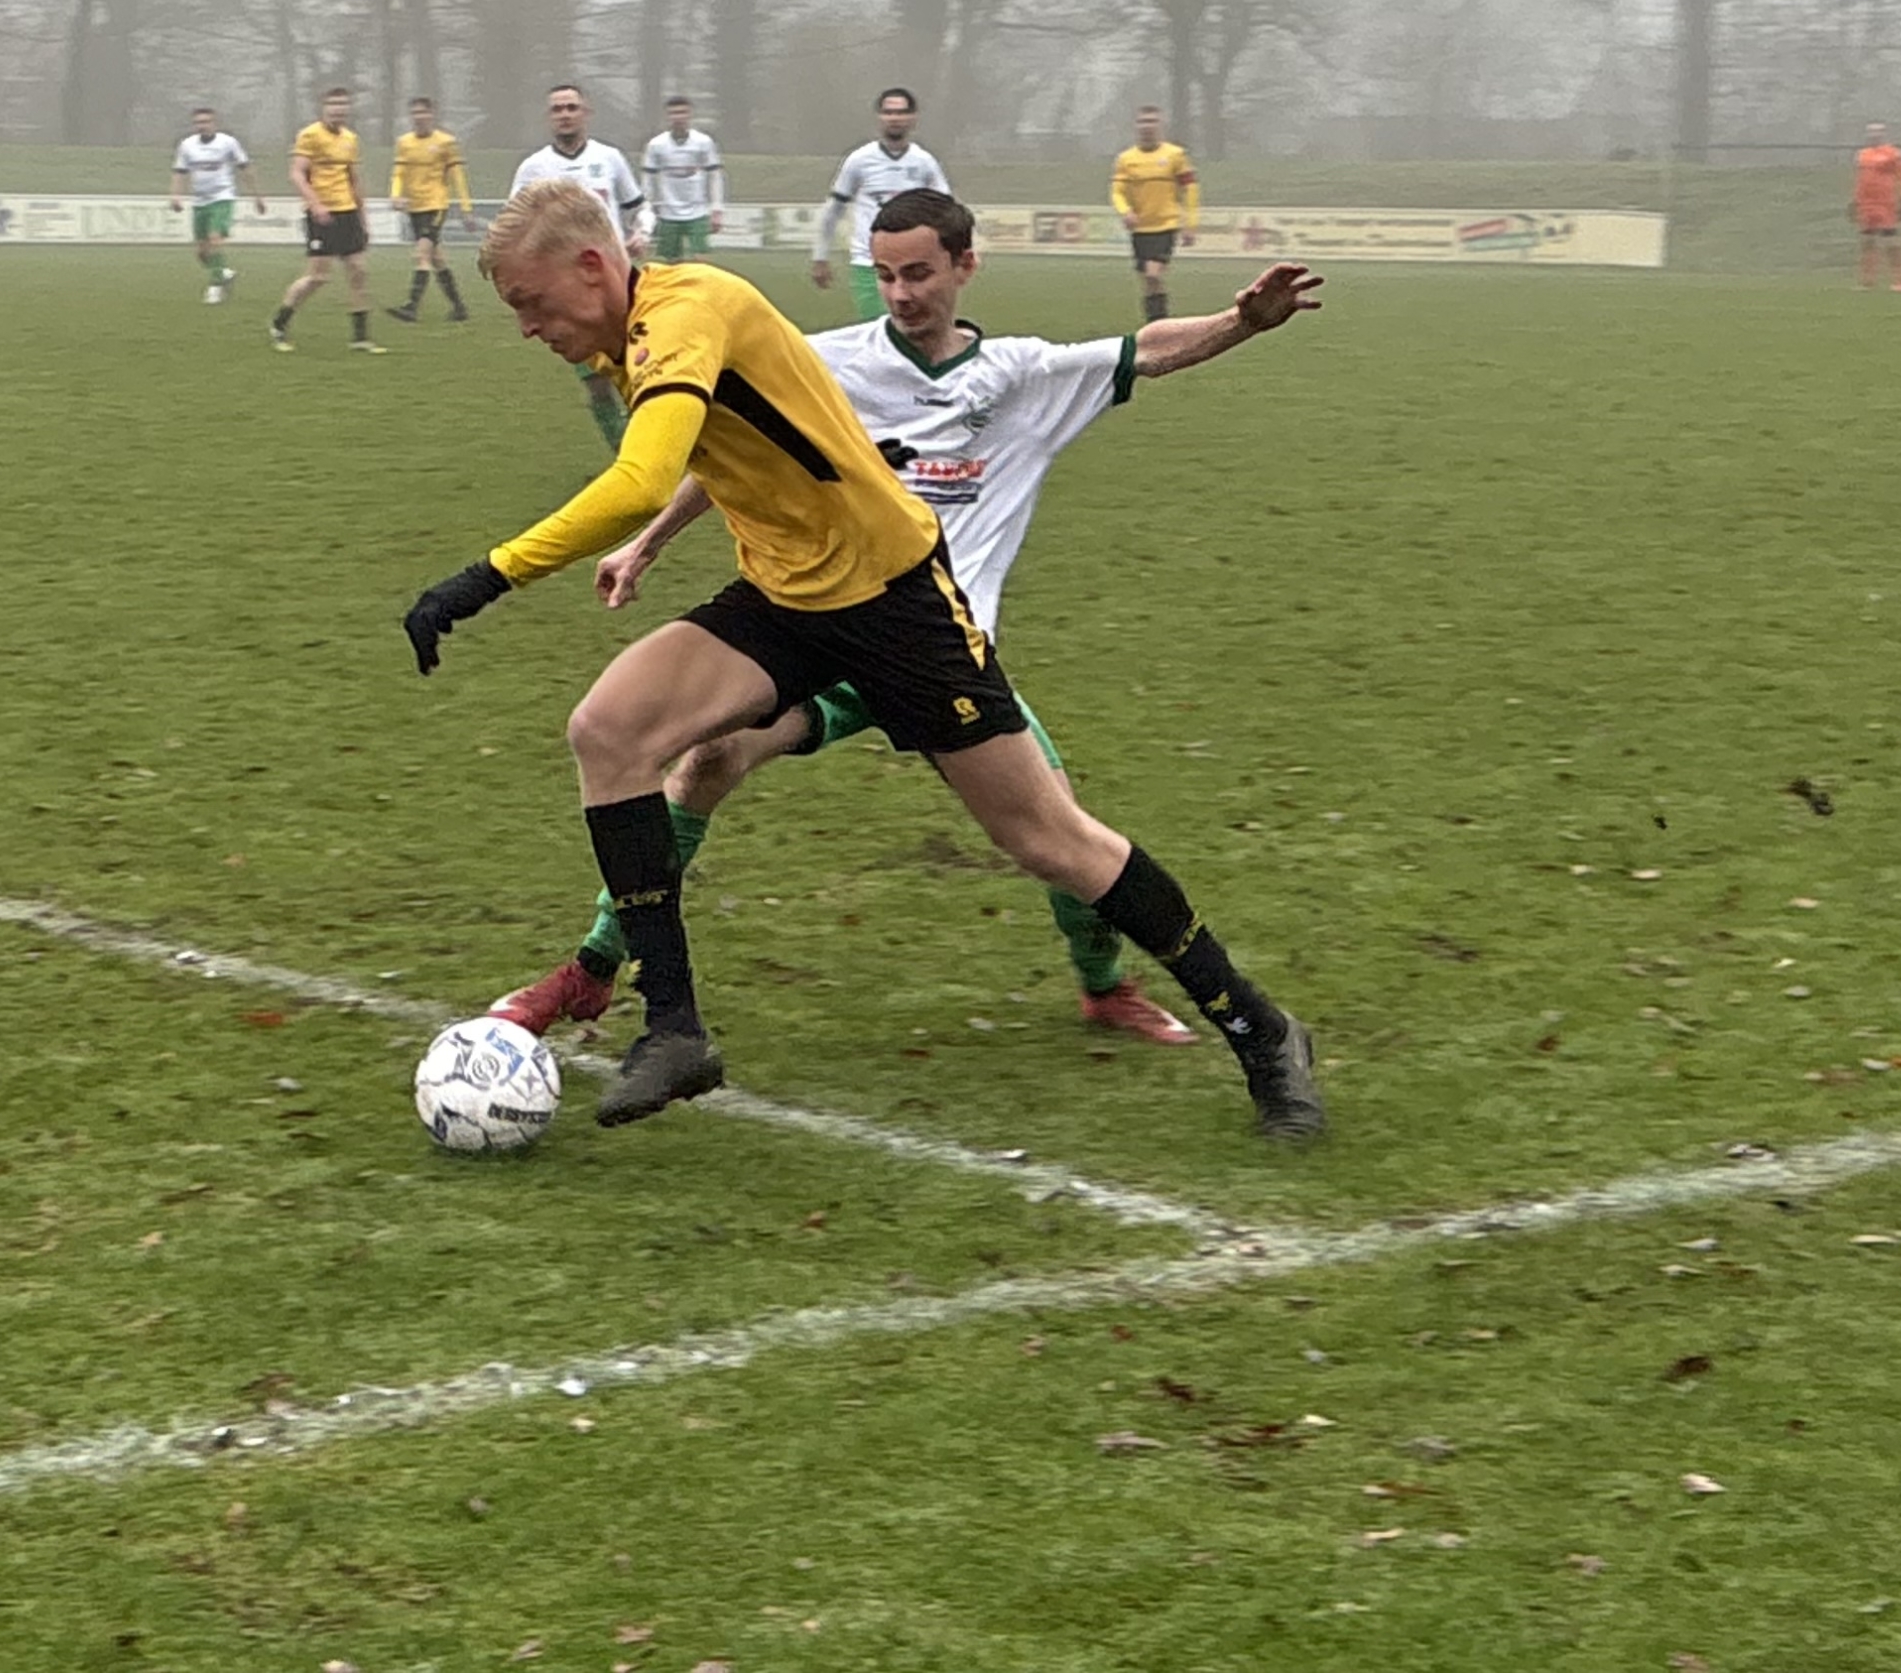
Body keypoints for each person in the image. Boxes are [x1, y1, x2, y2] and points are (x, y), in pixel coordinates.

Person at [403, 181, 1325, 1139]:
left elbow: (639, 477)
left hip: (898, 607)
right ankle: (672, 1027)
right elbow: (719, 459)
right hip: (789, 603)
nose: (525, 326)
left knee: (1051, 841)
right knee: (611, 730)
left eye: (530, 302)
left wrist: (483, 579)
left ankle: (1262, 1029)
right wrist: (653, 550)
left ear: (594, 268)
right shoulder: (644, 333)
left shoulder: (684, 314)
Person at [510, 83, 649, 446]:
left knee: (642, 370)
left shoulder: (610, 158)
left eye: (571, 107)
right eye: (557, 109)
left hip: (619, 281)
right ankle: (625, 456)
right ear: (549, 118)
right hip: (569, 290)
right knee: (597, 381)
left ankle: (651, 451)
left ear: (585, 113)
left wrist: (642, 232)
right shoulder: (534, 167)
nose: (565, 114)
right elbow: (514, 225)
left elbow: (640, 207)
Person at [810, 87, 950, 321]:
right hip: (870, 263)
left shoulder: (924, 162)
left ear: (912, 118)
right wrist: (820, 257)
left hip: (913, 264)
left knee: (914, 333)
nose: (894, 118)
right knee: (879, 331)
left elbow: (945, 211)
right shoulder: (859, 160)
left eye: (901, 112)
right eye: (888, 112)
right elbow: (833, 210)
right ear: (879, 117)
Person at [270, 85, 384, 353]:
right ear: (324, 107)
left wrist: (363, 216)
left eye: (343, 105)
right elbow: (297, 174)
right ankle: (279, 323)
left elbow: (354, 179)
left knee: (358, 272)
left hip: (348, 214)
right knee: (318, 277)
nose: (338, 110)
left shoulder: (350, 139)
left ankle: (360, 338)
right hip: (321, 215)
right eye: (333, 105)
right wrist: (316, 205)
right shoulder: (310, 135)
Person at [385, 96, 472, 324]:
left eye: (423, 112)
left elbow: (457, 176)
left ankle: (411, 308)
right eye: (415, 113)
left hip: (436, 205)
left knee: (421, 254)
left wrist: (465, 207)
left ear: (432, 114)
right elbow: (399, 173)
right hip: (414, 207)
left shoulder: (445, 142)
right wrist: (395, 195)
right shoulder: (405, 143)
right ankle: (459, 308)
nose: (419, 117)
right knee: (437, 259)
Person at [1110, 105, 1199, 321]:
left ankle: (1159, 326)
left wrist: (1190, 223)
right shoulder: (1126, 159)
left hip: (1166, 225)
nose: (1147, 126)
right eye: (1143, 122)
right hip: (1140, 228)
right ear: (1136, 126)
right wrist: (1126, 211)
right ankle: (1157, 324)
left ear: (1160, 126)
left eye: (1152, 121)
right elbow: (1117, 192)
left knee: (1152, 274)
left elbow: (1190, 188)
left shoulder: (1175, 155)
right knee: (1149, 282)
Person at [169, 108, 248, 302]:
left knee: (215, 238)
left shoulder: (228, 143)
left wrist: (258, 196)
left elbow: (245, 166)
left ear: (214, 123)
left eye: (206, 122)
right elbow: (180, 171)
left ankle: (215, 286)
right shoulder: (187, 145)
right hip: (199, 201)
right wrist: (176, 196)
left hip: (222, 197)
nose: (202, 126)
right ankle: (225, 273)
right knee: (202, 253)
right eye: (198, 122)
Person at [640, 95, 725, 263]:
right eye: (674, 113)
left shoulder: (703, 142)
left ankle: (700, 289)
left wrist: (716, 208)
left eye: (682, 112)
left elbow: (715, 175)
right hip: (668, 213)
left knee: (702, 261)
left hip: (698, 211)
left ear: (690, 114)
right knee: (671, 265)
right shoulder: (656, 145)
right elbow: (647, 179)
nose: (678, 117)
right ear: (667, 116)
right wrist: (646, 208)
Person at [1853, 122, 1901, 291]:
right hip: (1867, 204)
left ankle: (1898, 280)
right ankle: (1867, 281)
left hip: (1886, 203)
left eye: (1877, 133)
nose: (1874, 136)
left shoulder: (1893, 154)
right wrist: (1855, 201)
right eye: (1871, 133)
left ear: (1883, 135)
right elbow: (1860, 179)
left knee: (1892, 241)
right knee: (1867, 241)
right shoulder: (1862, 155)